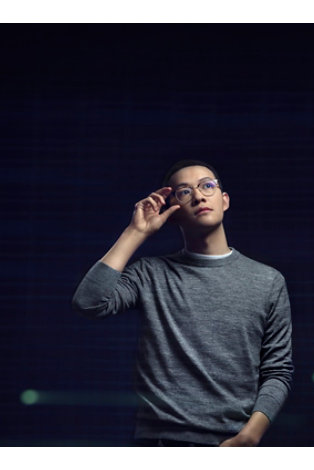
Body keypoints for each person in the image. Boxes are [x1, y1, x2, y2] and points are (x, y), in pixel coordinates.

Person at [72, 160, 293, 446]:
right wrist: (136, 232)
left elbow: (277, 371)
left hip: (233, 444)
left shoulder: (268, 281)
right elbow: (89, 303)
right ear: (172, 212)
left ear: (224, 200)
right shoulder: (150, 273)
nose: (199, 196)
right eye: (184, 192)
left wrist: (249, 437)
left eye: (207, 186)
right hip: (160, 444)